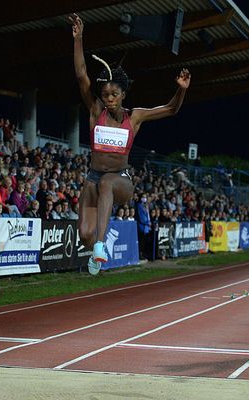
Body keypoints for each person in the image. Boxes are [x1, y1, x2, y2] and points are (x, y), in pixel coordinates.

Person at [69, 13, 190, 274]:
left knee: (107, 182)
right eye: (105, 95)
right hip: (93, 177)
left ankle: (101, 245)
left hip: (120, 180)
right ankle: (94, 248)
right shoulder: (94, 111)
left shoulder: (135, 117)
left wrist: (181, 89)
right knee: (84, 234)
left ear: (123, 94)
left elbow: (171, 109)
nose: (109, 99)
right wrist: (78, 39)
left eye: (114, 95)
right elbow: (81, 74)